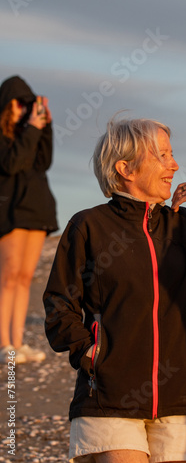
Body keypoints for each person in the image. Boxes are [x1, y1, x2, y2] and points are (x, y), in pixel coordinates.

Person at [43, 114, 186, 463]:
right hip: (109, 397)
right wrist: (89, 355)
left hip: (183, 394)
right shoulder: (89, 225)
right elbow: (59, 303)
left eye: (171, 154)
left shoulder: (184, 226)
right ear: (126, 168)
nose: (174, 165)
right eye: (162, 155)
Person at [0, 75, 58, 364]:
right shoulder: (5, 137)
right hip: (9, 213)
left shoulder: (31, 132)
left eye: (28, 103)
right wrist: (32, 130)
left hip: (37, 211)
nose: (24, 108)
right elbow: (13, 163)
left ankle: (18, 342)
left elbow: (42, 162)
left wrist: (45, 127)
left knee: (24, 279)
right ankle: (5, 345)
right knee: (8, 278)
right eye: (19, 103)